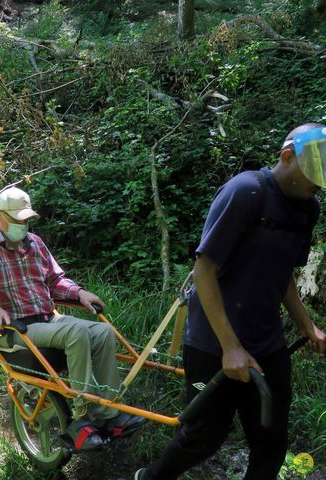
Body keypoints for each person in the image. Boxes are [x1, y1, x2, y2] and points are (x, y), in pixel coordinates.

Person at [135, 123, 326, 480]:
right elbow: (205, 270)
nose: (316, 185)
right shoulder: (246, 192)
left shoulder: (307, 207)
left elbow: (284, 275)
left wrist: (307, 325)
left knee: (271, 441)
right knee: (203, 437)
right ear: (287, 157)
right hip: (213, 343)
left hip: (268, 343)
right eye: (312, 175)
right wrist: (230, 347)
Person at [0, 186, 146, 450]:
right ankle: (83, 417)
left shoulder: (35, 243)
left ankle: (108, 414)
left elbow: (55, 280)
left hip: (48, 321)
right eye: (17, 219)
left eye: (26, 219)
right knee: (77, 333)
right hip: (13, 329)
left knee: (102, 332)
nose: (22, 224)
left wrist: (80, 292)